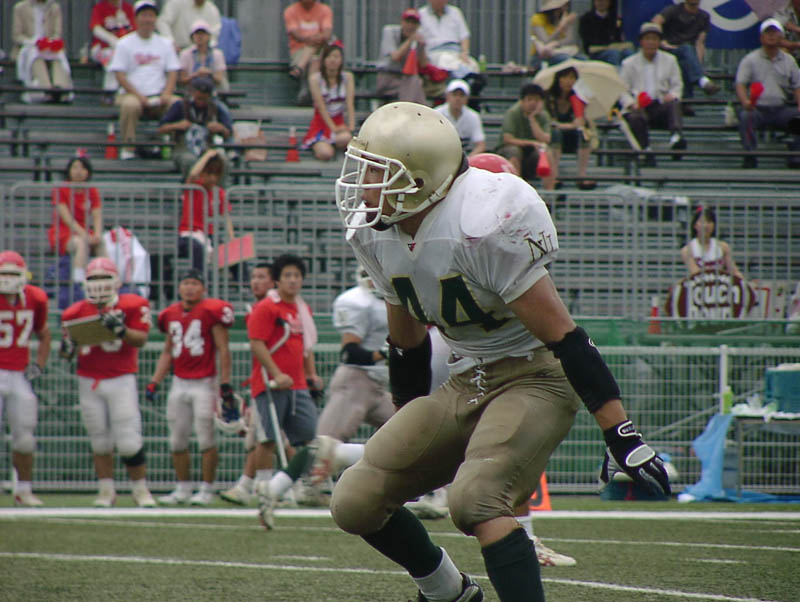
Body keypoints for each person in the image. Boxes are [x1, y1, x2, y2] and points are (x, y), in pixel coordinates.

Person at [331, 102, 670, 601]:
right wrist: (410, 424)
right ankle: (448, 591)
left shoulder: (482, 221)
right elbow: (406, 343)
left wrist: (622, 435)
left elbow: (565, 337)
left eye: (378, 173)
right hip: (467, 377)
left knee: (476, 500)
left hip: (537, 375)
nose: (362, 186)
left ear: (419, 182)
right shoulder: (377, 234)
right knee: (354, 499)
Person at [60, 257, 157, 508]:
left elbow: (141, 339)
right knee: (99, 440)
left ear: (117, 281)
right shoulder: (74, 312)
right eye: (94, 278)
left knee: (128, 440)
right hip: (89, 379)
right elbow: (67, 354)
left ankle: (140, 490)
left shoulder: (132, 304)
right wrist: (67, 348)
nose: (99, 283)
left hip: (120, 378)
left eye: (104, 277)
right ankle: (106, 491)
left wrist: (121, 330)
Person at [146, 269, 234, 505]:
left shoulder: (210, 311)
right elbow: (168, 351)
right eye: (186, 283)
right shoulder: (170, 314)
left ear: (203, 288)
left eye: (195, 283)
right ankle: (183, 488)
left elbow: (223, 349)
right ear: (179, 287)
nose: (190, 288)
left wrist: (225, 383)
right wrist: (155, 380)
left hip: (205, 382)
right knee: (177, 440)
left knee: (206, 439)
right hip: (179, 382)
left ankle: (207, 489)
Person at [251, 254, 324, 530]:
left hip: (298, 385)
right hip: (270, 385)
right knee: (268, 439)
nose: (293, 280)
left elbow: (306, 346)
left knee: (310, 439)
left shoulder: (302, 309)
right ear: (277, 280)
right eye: (287, 276)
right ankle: (263, 488)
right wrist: (275, 373)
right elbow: (257, 343)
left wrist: (311, 374)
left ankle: (299, 486)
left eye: (297, 275)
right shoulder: (267, 308)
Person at [220, 260, 278, 505]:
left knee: (274, 439)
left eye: (261, 277)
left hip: (277, 382)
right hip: (263, 380)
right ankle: (247, 486)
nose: (255, 282)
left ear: (273, 281)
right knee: (259, 437)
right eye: (253, 277)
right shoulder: (258, 308)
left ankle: (290, 486)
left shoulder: (277, 307)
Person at [0, 251, 51, 507]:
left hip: (20, 374)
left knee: (25, 437)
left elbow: (44, 333)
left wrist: (38, 365)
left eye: (13, 273)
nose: (8, 279)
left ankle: (24, 489)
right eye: (4, 273)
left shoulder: (35, 297)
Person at [110, 0, 181, 161]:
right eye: (144, 15)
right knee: (130, 105)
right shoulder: (124, 43)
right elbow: (120, 75)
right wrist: (139, 96)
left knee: (177, 104)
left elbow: (173, 72)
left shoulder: (165, 44)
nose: (148, 19)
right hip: (132, 95)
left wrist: (167, 93)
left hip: (159, 95)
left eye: (151, 15)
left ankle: (173, 148)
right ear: (136, 19)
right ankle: (128, 148)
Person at [735, 18, 800, 169]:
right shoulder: (750, 59)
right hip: (757, 109)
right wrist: (745, 102)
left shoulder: (789, 61)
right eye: (768, 33)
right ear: (761, 37)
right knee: (746, 116)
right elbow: (740, 84)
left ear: (781, 37)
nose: (771, 36)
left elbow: (798, 85)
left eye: (775, 33)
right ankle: (750, 156)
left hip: (780, 109)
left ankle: (796, 156)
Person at [620, 22, 686, 166]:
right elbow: (622, 90)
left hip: (659, 104)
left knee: (674, 104)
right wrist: (631, 103)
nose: (651, 42)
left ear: (659, 42)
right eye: (647, 38)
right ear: (641, 41)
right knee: (636, 118)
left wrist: (673, 95)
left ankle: (676, 138)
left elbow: (677, 85)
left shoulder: (670, 60)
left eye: (655, 39)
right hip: (638, 106)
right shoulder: (628, 63)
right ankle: (646, 151)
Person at [158, 77, 233, 179]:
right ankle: (191, 187)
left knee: (223, 161)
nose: (201, 102)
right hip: (183, 149)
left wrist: (220, 128)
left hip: (208, 148)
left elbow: (228, 133)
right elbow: (161, 128)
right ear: (192, 93)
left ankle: (218, 188)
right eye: (199, 98)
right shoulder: (179, 105)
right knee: (189, 160)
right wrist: (177, 125)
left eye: (205, 99)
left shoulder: (216, 107)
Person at [48, 156, 105, 286]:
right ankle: (79, 283)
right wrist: (85, 235)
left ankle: (107, 278)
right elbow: (67, 219)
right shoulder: (61, 189)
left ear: (88, 172)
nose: (79, 171)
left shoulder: (92, 190)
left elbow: (97, 215)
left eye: (82, 168)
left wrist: (97, 234)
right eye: (75, 167)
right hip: (63, 233)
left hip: (85, 232)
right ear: (69, 170)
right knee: (81, 243)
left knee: (101, 243)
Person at [418, 0, 486, 106]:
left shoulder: (455, 12)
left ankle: (469, 90)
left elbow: (464, 36)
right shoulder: (421, 14)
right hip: (434, 54)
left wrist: (464, 52)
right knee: (448, 62)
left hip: (456, 52)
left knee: (473, 66)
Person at [177, 149, 234, 272]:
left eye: (216, 174)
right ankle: (199, 279)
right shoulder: (193, 187)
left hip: (210, 235)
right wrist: (208, 155)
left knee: (236, 253)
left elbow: (226, 217)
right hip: (188, 234)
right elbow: (193, 174)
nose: (212, 178)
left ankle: (244, 281)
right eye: (209, 173)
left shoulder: (219, 192)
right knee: (198, 249)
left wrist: (232, 238)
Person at [652, 0, 720, 99]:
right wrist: (662, 41)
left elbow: (700, 43)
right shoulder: (673, 10)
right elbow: (656, 21)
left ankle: (686, 101)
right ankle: (702, 81)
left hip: (688, 57)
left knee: (685, 64)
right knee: (686, 49)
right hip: (670, 51)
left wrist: (698, 66)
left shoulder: (704, 16)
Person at [496, 82, 557, 190]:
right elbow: (507, 139)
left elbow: (546, 139)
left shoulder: (543, 115)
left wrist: (532, 119)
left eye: (536, 100)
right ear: (522, 101)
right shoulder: (513, 113)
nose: (533, 103)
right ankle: (516, 190)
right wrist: (532, 143)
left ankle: (550, 191)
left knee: (547, 152)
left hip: (532, 154)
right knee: (514, 151)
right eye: (530, 99)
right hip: (510, 151)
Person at [301, 42, 355, 162]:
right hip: (321, 124)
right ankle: (324, 145)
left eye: (336, 57)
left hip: (340, 123)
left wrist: (351, 126)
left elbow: (350, 103)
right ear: (324, 60)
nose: (333, 60)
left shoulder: (347, 77)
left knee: (346, 138)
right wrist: (333, 128)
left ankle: (335, 144)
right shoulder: (315, 79)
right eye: (329, 56)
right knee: (325, 154)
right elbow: (321, 107)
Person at [545, 65, 596, 189]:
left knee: (584, 134)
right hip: (551, 134)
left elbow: (580, 122)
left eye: (572, 78)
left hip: (571, 135)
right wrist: (569, 125)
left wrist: (574, 123)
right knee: (556, 133)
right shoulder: (548, 96)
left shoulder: (578, 98)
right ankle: (554, 176)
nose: (569, 81)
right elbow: (549, 121)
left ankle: (581, 176)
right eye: (565, 77)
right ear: (558, 79)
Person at [11, 0, 73, 103]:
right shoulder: (20, 8)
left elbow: (57, 33)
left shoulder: (54, 7)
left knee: (58, 56)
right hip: (28, 46)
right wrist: (32, 42)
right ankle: (46, 89)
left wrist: (50, 42)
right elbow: (17, 36)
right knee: (35, 56)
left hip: (49, 45)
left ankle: (60, 90)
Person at [283, 0, 334, 105]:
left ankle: (299, 69)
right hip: (299, 50)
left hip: (321, 49)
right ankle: (313, 95)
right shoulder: (290, 11)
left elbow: (327, 34)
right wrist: (312, 38)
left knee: (315, 51)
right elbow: (296, 34)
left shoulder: (325, 10)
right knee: (314, 59)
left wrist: (315, 39)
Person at [375, 8, 429, 105]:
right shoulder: (389, 31)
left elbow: (424, 65)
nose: (410, 26)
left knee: (415, 83)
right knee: (414, 83)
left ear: (418, 25)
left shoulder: (418, 37)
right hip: (387, 77)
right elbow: (395, 57)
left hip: (405, 79)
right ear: (402, 22)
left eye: (414, 23)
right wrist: (410, 40)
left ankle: (409, 109)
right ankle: (412, 110)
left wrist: (421, 46)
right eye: (408, 22)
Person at [680, 207, 743, 279]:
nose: (706, 225)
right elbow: (696, 273)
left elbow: (734, 271)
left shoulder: (723, 247)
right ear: (695, 225)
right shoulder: (687, 250)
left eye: (709, 222)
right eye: (702, 221)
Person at [89, 0, 136, 93]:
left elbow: (135, 30)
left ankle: (126, 91)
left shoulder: (128, 8)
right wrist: (114, 41)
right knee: (114, 59)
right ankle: (109, 93)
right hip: (102, 48)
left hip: (124, 49)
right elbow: (96, 29)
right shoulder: (100, 7)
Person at [435, 79, 486, 157]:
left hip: (464, 157)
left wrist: (469, 159)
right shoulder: (436, 114)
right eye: (454, 95)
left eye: (462, 95)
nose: (458, 98)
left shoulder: (473, 116)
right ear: (447, 96)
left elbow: (480, 145)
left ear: (467, 98)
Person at [529, 0, 583, 71]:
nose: (565, 8)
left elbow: (570, 40)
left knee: (582, 59)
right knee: (566, 61)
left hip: (562, 50)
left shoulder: (566, 18)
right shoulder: (538, 18)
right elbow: (546, 41)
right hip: (543, 55)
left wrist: (556, 43)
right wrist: (560, 28)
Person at [178, 19, 229, 91]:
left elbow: (219, 79)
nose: (200, 36)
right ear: (192, 37)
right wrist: (196, 74)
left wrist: (209, 74)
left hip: (214, 92)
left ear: (209, 36)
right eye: (197, 34)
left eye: (203, 34)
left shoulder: (218, 54)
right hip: (191, 92)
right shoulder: (185, 54)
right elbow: (182, 79)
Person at [578, 0, 632, 67]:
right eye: (598, 1)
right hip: (595, 51)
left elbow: (618, 38)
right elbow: (587, 42)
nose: (601, 3)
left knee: (628, 52)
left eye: (604, 1)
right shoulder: (586, 19)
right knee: (614, 54)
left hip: (613, 48)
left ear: (609, 2)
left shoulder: (615, 18)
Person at [774, 0, 800, 64]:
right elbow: (775, 39)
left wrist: (796, 29)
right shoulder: (782, 14)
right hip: (793, 55)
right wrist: (794, 45)